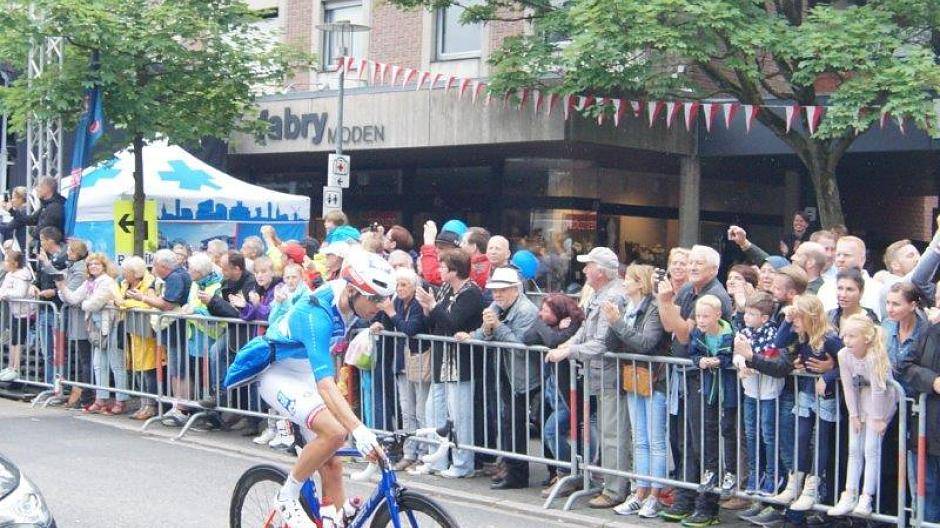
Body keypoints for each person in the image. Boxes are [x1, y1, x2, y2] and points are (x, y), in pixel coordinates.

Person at [223, 247, 389, 528]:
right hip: (279, 374)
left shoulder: (350, 297)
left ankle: (332, 518)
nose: (379, 305)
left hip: (307, 373)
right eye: (373, 298)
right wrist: (359, 430)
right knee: (336, 432)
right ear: (352, 291)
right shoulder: (317, 314)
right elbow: (325, 384)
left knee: (333, 461)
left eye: (383, 298)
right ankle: (287, 496)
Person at [546, 246, 629, 509]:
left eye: (588, 266)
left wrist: (569, 350)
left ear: (601, 271)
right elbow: (585, 330)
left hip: (610, 375)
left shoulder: (613, 296)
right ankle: (610, 484)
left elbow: (601, 343)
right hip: (600, 375)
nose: (584, 270)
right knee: (606, 431)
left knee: (613, 434)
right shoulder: (601, 293)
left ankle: (615, 489)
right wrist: (569, 344)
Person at [655, 245, 733, 524]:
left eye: (699, 263)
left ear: (714, 268)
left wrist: (666, 301)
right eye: (692, 262)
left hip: (707, 379)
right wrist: (665, 301)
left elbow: (685, 335)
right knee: (685, 441)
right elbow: (669, 326)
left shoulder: (715, 295)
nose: (693, 267)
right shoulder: (689, 289)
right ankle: (685, 498)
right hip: (686, 375)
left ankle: (707, 506)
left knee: (704, 443)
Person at [458, 266, 539, 490]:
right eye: (494, 291)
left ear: (515, 289)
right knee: (506, 423)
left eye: (502, 290)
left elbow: (520, 346)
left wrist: (497, 326)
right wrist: (480, 332)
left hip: (523, 376)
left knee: (522, 424)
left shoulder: (526, 310)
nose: (497, 295)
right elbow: (484, 333)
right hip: (505, 372)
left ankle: (524, 475)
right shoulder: (495, 306)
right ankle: (511, 470)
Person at [765, 295, 843, 525]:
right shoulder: (804, 336)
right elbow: (779, 342)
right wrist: (787, 320)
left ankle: (812, 486)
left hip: (826, 395)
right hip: (806, 392)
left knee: (821, 440)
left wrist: (828, 376)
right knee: (801, 436)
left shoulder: (829, 338)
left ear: (810, 317)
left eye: (798, 318)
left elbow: (848, 363)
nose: (794, 322)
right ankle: (794, 483)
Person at [603, 264, 669, 518]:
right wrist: (613, 321)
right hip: (633, 377)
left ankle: (655, 495)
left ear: (640, 283)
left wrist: (618, 323)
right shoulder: (626, 307)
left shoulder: (653, 308)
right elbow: (611, 345)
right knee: (639, 439)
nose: (624, 282)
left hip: (654, 378)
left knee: (655, 441)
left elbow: (645, 344)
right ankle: (639, 492)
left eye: (629, 278)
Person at [413, 248, 483, 478]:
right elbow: (437, 322)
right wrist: (428, 308)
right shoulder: (445, 289)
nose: (440, 270)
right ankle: (437, 459)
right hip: (441, 359)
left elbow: (453, 322)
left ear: (454, 270)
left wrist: (433, 306)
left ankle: (463, 464)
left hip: (459, 363)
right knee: (434, 411)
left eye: (443, 266)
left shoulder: (471, 293)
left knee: (459, 415)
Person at [828, 314, 898, 517]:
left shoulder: (874, 356)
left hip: (881, 403)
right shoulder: (843, 354)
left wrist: (878, 418)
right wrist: (853, 415)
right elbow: (848, 386)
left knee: (871, 450)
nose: (847, 341)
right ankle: (849, 493)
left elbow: (879, 390)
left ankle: (866, 496)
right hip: (860, 400)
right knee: (854, 449)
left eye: (852, 336)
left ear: (866, 338)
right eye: (845, 336)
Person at [684, 294, 737, 526]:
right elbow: (693, 353)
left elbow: (730, 355)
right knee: (708, 430)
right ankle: (711, 470)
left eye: (706, 316)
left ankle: (730, 472)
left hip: (728, 390)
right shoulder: (698, 332)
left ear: (718, 315)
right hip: (708, 390)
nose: (701, 320)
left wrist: (718, 361)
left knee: (728, 430)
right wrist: (700, 362)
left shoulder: (729, 332)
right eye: (698, 316)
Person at [526, 294, 584, 498]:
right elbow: (527, 337)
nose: (540, 314)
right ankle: (570, 473)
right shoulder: (554, 326)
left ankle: (569, 473)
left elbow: (553, 341)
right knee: (553, 431)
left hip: (570, 395)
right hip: (554, 394)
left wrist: (543, 326)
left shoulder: (573, 325)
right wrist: (543, 323)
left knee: (552, 430)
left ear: (559, 312)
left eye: (545, 311)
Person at [369, 266, 428, 471]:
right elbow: (389, 322)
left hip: (418, 361)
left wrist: (391, 313)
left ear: (414, 286)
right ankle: (409, 452)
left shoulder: (418, 303)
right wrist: (380, 323)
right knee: (406, 410)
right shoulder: (396, 302)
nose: (400, 289)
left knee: (420, 411)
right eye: (398, 285)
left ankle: (424, 453)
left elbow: (410, 328)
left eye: (404, 285)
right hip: (401, 362)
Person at [125, 249, 192, 424]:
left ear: (163, 266)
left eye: (155, 265)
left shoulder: (176, 278)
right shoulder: (167, 277)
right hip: (170, 328)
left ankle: (181, 409)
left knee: (179, 369)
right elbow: (153, 289)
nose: (153, 269)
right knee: (175, 368)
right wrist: (150, 295)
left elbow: (167, 305)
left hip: (177, 328)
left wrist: (143, 298)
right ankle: (177, 406)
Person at [730, 292, 781, 511]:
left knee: (768, 434)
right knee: (751, 433)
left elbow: (769, 356)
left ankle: (771, 474)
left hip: (769, 392)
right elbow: (737, 354)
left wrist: (752, 362)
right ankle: (754, 473)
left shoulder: (773, 333)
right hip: (750, 390)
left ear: (765, 318)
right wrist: (742, 364)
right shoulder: (743, 333)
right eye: (747, 313)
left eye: (752, 314)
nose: (747, 317)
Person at [57, 253, 124, 415]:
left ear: (104, 266)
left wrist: (84, 303)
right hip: (96, 327)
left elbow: (94, 304)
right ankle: (101, 399)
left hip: (112, 325)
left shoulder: (107, 281)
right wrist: (62, 287)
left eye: (97, 264)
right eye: (90, 264)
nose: (93, 266)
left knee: (116, 364)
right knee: (98, 364)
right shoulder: (89, 283)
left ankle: (121, 400)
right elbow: (73, 298)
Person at [898, 311, 940, 522]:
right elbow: (905, 365)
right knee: (928, 491)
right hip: (929, 429)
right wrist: (932, 381)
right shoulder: (928, 332)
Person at [116, 256, 159, 420]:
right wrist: (124, 303)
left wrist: (126, 304)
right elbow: (118, 300)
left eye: (126, 271)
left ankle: (150, 405)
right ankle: (143, 404)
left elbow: (148, 304)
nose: (123, 274)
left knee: (148, 370)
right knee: (138, 370)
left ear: (135, 273)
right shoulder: (124, 283)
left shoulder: (149, 283)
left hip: (146, 333)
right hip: (131, 331)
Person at [32, 226, 68, 387]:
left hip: (58, 310)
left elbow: (67, 283)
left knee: (58, 350)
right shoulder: (42, 258)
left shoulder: (64, 258)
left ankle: (60, 384)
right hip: (44, 309)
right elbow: (39, 278)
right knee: (46, 350)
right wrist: (34, 286)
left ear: (50, 240)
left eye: (42, 240)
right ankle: (49, 384)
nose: (40, 243)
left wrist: (53, 292)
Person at [817, 236, 883, 318]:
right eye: (838, 255)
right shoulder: (825, 288)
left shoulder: (878, 290)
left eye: (847, 255)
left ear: (862, 259)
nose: (840, 259)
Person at [0, 250, 35, 383]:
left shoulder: (23, 275)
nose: (4, 263)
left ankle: (16, 368)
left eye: (7, 261)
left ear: (15, 263)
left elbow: (20, 293)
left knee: (19, 340)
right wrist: (5, 293)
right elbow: (2, 289)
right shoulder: (9, 275)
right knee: (13, 339)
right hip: (14, 311)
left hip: (24, 312)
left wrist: (6, 294)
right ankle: (10, 366)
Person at [829, 267, 879, 332]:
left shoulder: (870, 322)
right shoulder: (829, 317)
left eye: (849, 289)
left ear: (861, 292)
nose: (843, 295)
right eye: (840, 288)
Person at [22, 176, 66, 246]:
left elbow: (42, 231)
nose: (36, 189)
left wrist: (31, 231)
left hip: (52, 247)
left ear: (47, 188)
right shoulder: (46, 205)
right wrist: (12, 211)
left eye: (39, 186)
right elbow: (32, 219)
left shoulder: (54, 207)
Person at [0, 186, 29, 251]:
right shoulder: (25, 210)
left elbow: (6, 229)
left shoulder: (23, 212)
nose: (11, 200)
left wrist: (10, 210)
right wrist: (9, 210)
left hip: (23, 248)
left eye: (13, 198)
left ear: (21, 198)